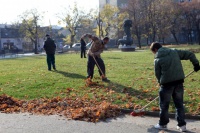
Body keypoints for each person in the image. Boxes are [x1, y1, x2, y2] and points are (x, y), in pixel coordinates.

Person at [150, 42, 200, 132]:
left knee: (164, 105)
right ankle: (182, 125)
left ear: (155, 50)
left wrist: (160, 82)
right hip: (178, 83)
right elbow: (190, 54)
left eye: (153, 52)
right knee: (179, 104)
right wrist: (196, 64)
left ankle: (163, 124)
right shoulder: (174, 52)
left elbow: (157, 74)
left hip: (166, 85)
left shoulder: (157, 59)